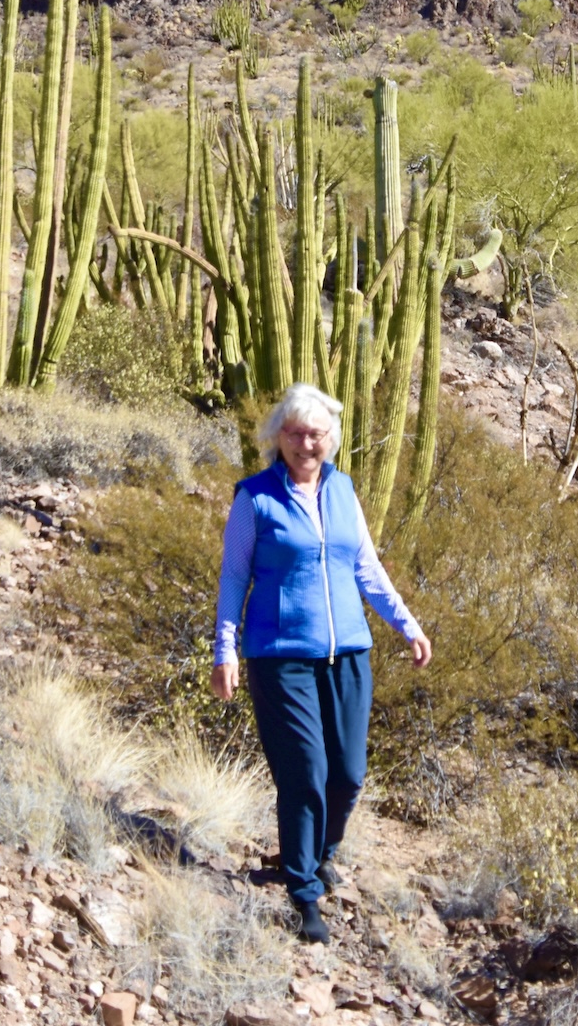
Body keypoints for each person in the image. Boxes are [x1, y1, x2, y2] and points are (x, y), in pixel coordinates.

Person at [213, 383, 433, 943]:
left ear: (329, 439)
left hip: (349, 652)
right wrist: (225, 650)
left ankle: (321, 851)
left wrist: (406, 624)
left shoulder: (343, 490)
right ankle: (304, 890)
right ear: (277, 436)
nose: (304, 443)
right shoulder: (255, 498)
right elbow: (235, 577)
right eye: (293, 432)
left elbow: (366, 568)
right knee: (304, 774)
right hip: (280, 656)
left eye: (314, 434)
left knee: (349, 774)